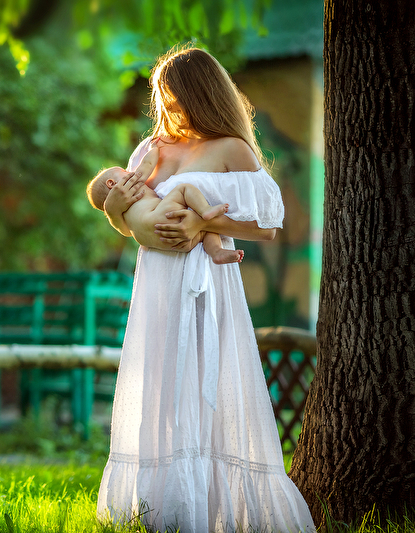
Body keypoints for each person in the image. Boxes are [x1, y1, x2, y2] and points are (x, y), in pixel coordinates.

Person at [95, 45, 315, 532]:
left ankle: (215, 510)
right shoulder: (152, 148)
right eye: (162, 99)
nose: (168, 110)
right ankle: (161, 512)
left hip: (207, 282)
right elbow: (132, 218)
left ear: (201, 94)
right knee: (163, 386)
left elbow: (267, 227)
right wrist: (114, 213)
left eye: (175, 99)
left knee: (205, 385)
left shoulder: (230, 148)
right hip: (156, 283)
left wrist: (200, 224)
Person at [86, 142, 244, 265]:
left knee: (205, 231)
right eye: (122, 170)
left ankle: (217, 253)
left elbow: (125, 232)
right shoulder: (132, 182)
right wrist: (155, 148)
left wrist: (111, 212)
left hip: (167, 242)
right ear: (111, 183)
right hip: (160, 216)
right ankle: (206, 211)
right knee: (184, 190)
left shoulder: (122, 218)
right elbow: (147, 165)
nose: (128, 171)